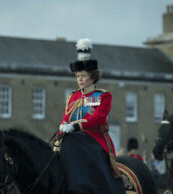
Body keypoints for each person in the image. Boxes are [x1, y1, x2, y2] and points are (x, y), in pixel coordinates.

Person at [57, 38, 125, 194]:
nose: (80, 79)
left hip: (95, 139)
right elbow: (65, 118)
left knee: (70, 143)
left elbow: (98, 118)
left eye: (83, 75)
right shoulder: (72, 97)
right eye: (78, 76)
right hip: (73, 139)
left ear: (93, 77)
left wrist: (74, 126)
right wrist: (63, 126)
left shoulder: (103, 96)